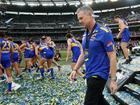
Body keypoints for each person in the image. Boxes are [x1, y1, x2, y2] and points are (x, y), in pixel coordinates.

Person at [69, 6, 118, 105]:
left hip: (99, 74)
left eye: (81, 18)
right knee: (99, 100)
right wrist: (75, 69)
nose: (79, 21)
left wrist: (113, 80)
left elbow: (112, 56)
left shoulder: (104, 32)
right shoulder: (85, 34)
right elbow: (83, 53)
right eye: (78, 18)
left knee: (89, 102)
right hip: (89, 73)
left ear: (90, 15)